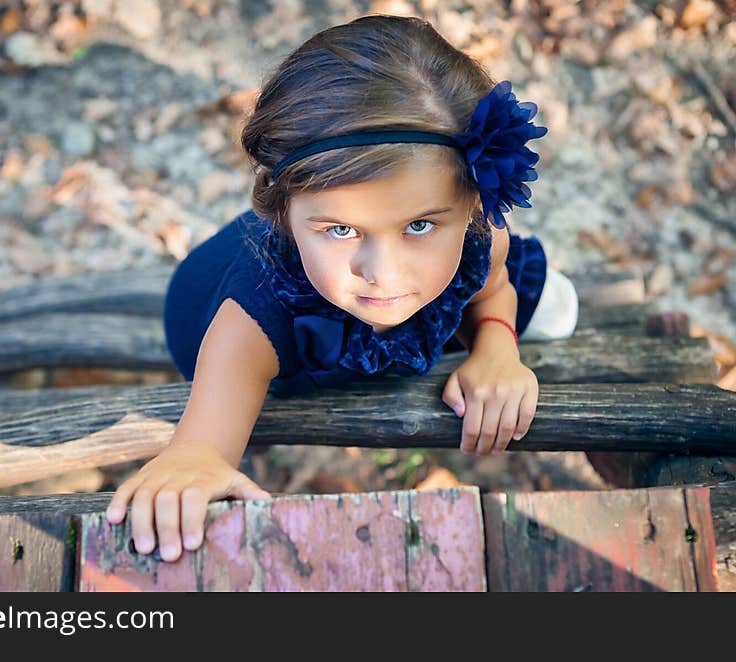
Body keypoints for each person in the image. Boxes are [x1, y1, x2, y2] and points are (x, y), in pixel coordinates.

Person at [105, 14, 578, 562]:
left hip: (380, 287)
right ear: (281, 211)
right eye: (342, 229)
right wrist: (192, 462)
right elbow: (201, 444)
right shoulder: (255, 317)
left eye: (420, 225)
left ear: (474, 201)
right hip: (225, 319)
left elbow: (493, 287)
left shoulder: (480, 237)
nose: (384, 272)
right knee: (254, 383)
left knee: (555, 309)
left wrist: (497, 347)